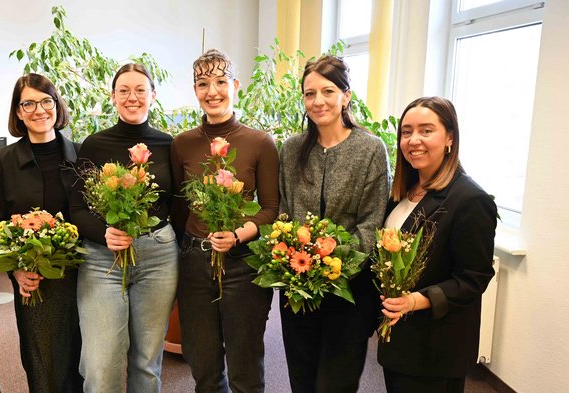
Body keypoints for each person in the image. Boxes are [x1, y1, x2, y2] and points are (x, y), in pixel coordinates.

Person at [278, 55, 390, 392]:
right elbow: (284, 212)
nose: (318, 101)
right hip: (296, 286)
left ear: (346, 95)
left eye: (328, 91)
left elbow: (372, 222)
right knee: (302, 377)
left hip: (349, 291)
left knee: (336, 382)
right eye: (309, 94)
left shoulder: (370, 149)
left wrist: (328, 263)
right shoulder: (291, 149)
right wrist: (296, 264)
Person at [171, 49, 280, 393]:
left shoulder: (260, 142)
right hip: (194, 259)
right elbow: (178, 206)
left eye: (220, 82)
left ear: (235, 85)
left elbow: (271, 209)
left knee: (245, 363)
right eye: (203, 84)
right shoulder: (182, 143)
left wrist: (237, 234)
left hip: (243, 262)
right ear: (195, 90)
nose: (212, 91)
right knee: (202, 362)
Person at [69, 63, 177, 393]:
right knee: (102, 365)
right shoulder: (94, 145)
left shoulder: (169, 145)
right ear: (113, 97)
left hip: (157, 257)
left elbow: (177, 205)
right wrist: (103, 232)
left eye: (140, 90)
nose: (133, 97)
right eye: (124, 91)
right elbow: (76, 208)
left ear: (153, 96)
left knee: (147, 363)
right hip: (103, 257)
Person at [378, 97, 497, 393]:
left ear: (450, 138)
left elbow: (473, 279)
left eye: (426, 130)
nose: (413, 140)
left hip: (435, 348)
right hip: (399, 343)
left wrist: (414, 301)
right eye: (406, 132)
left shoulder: (470, 199)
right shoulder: (403, 191)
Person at [0, 73, 82, 392]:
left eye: (46, 101)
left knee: (80, 355)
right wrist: (15, 271)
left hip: (81, 273)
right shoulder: (2, 160)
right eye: (28, 103)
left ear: (57, 105)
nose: (39, 110)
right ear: (17, 111)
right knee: (40, 357)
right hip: (33, 276)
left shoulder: (81, 155)